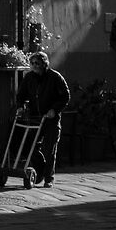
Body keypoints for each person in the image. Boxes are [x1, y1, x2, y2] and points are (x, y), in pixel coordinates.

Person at [14, 49, 70, 186]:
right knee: (31, 147)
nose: (34, 65)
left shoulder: (55, 77)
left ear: (44, 64)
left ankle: (48, 178)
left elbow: (65, 96)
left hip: (50, 118)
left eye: (37, 63)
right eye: (32, 63)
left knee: (49, 149)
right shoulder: (29, 78)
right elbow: (21, 95)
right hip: (35, 118)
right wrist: (20, 107)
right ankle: (39, 172)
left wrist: (54, 110)